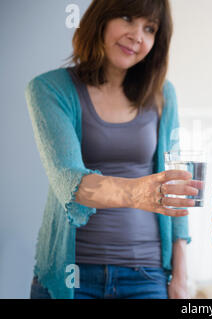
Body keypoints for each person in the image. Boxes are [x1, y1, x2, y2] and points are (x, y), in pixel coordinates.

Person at [26, 0, 198, 299]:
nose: (137, 36)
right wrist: (137, 193)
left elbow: (176, 186)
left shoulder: (162, 95)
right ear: (100, 19)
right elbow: (67, 179)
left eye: (150, 28)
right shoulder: (50, 89)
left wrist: (181, 276)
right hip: (73, 273)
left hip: (147, 275)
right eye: (128, 17)